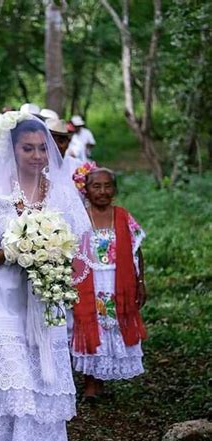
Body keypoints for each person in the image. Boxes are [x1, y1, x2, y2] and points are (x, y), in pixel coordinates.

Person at [0, 111, 92, 441]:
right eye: (27, 149)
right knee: (12, 382)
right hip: (3, 302)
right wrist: (18, 251)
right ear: (11, 150)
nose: (36, 156)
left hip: (46, 302)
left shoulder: (62, 194)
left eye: (41, 149)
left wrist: (51, 253)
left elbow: (75, 249)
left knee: (42, 383)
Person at [71, 166, 147, 400]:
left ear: (114, 189)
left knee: (112, 326)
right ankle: (90, 385)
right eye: (96, 186)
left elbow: (137, 250)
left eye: (107, 186)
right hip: (89, 282)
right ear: (86, 189)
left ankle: (102, 380)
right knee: (90, 326)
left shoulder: (123, 215)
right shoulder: (78, 216)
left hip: (118, 282)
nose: (102, 191)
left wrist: (141, 281)